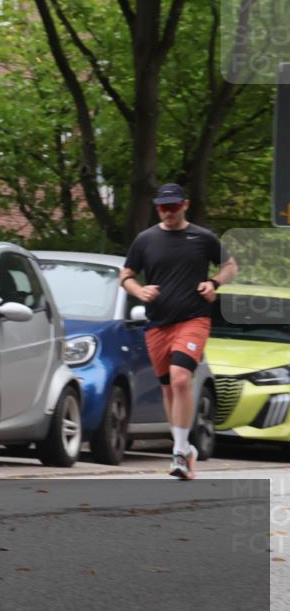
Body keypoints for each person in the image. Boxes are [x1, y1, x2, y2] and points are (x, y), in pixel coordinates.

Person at [120, 183, 237, 480]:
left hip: (193, 319)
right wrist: (138, 290)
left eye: (173, 206)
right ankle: (185, 449)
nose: (168, 212)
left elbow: (230, 266)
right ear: (157, 207)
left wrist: (214, 283)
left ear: (185, 204)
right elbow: (126, 275)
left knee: (180, 378)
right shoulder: (145, 240)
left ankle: (180, 451)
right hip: (158, 324)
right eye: (163, 207)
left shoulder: (202, 237)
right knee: (168, 388)